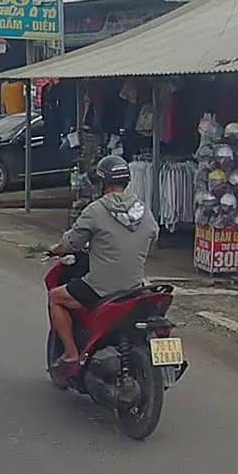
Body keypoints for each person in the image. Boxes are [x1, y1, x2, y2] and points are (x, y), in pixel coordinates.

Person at [47, 154, 158, 377]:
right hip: (134, 289)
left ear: (101, 182)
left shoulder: (95, 210)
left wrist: (56, 248)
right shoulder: (144, 211)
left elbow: (71, 242)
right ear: (127, 181)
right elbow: (153, 236)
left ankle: (71, 354)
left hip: (101, 289)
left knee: (55, 297)